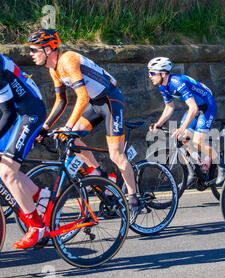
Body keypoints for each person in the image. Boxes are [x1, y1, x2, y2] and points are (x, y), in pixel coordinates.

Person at [27, 29, 141, 214]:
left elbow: (82, 97)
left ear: (48, 49)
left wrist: (68, 125)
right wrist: (45, 127)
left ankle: (134, 198)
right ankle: (100, 175)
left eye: (34, 50)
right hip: (95, 103)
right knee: (70, 138)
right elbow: (61, 101)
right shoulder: (53, 69)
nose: (30, 54)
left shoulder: (68, 59)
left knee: (116, 155)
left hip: (111, 100)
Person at [147, 57, 225, 186]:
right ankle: (194, 172)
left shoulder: (177, 82)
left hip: (207, 106)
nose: (149, 76)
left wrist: (182, 128)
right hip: (194, 108)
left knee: (198, 141)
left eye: (152, 73)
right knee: (183, 139)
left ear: (163, 74)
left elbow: (194, 108)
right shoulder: (163, 86)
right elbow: (169, 107)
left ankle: (222, 163)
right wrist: (158, 124)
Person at [0, 53, 50, 249]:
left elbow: (9, 114)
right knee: (5, 168)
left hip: (29, 112)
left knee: (7, 172)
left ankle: (37, 227)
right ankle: (40, 196)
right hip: (15, 110)